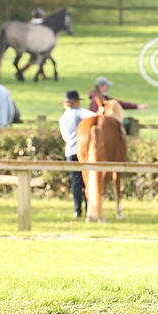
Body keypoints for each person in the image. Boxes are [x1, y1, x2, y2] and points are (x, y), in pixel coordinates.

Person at [59, 90, 96, 219]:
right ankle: (89, 209)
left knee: (76, 181)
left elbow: (65, 137)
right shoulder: (80, 112)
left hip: (70, 151)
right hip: (84, 151)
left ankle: (77, 209)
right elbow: (95, 116)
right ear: (76, 102)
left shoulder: (62, 118)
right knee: (87, 181)